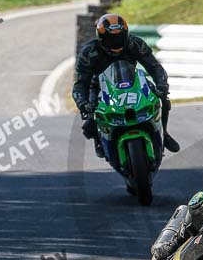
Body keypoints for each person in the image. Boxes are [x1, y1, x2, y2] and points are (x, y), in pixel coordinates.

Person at [72, 13, 180, 158]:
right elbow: (80, 84)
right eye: (111, 38)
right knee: (89, 122)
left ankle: (164, 134)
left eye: (119, 37)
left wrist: (162, 84)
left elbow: (154, 67)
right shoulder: (89, 52)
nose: (115, 42)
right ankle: (99, 140)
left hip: (134, 80)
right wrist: (83, 103)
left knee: (162, 98)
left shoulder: (135, 44)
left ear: (126, 34)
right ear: (101, 38)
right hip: (100, 86)